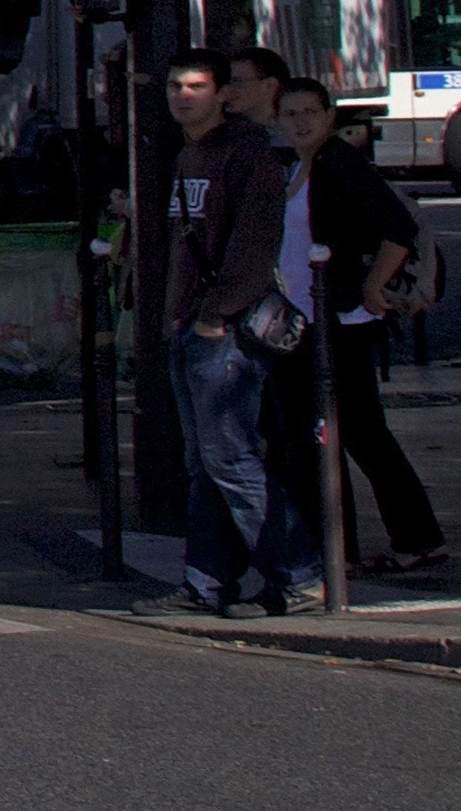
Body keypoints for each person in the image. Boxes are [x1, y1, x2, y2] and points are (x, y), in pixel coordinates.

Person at [159, 45, 314, 614]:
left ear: (222, 94)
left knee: (231, 459)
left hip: (224, 330)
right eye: (175, 86)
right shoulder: (189, 156)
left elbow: (253, 244)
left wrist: (213, 315)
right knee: (205, 466)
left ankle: (299, 575)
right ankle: (208, 583)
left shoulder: (245, 153)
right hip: (194, 324)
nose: (182, 96)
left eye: (196, 86)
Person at [278, 77, 443, 573]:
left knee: (345, 433)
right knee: (356, 433)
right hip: (312, 317)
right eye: (291, 113)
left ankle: (350, 548)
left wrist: (374, 286)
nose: (302, 122)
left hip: (339, 320)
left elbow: (400, 226)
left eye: (311, 111)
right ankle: (405, 537)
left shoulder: (338, 164)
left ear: (330, 115)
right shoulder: (303, 168)